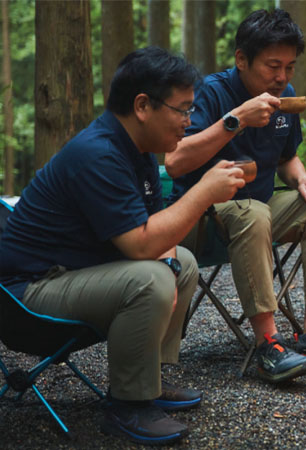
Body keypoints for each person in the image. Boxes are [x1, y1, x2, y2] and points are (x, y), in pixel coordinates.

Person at [0, 47, 243, 444]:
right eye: (182, 110)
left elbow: (152, 235)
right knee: (150, 278)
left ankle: (150, 380)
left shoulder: (138, 150)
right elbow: (141, 245)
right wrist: (202, 192)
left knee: (181, 262)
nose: (189, 122)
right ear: (143, 105)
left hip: (71, 277)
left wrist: (164, 247)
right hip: (27, 299)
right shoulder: (97, 153)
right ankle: (128, 405)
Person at [165, 9, 306, 382]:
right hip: (204, 215)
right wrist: (236, 119)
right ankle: (268, 344)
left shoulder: (284, 96)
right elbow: (175, 161)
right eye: (273, 66)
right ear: (241, 59)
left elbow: (286, 156)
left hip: (260, 207)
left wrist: (304, 180)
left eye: (290, 67)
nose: (281, 78)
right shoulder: (210, 93)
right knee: (252, 213)